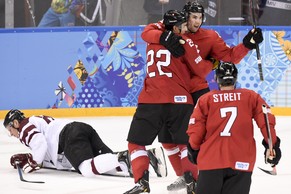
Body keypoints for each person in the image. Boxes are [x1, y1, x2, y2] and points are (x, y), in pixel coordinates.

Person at [141, 1, 264, 191]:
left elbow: (230, 56)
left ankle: (200, 175)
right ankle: (185, 176)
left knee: (197, 139)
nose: (197, 21)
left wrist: (247, 44)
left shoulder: (210, 37)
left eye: (200, 17)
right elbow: (147, 32)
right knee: (167, 141)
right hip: (173, 93)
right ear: (185, 17)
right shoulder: (173, 27)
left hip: (196, 93)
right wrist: (165, 37)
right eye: (193, 17)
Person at [124, 9, 215, 194]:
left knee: (136, 143)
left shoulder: (152, 39)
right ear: (175, 28)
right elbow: (200, 69)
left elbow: (147, 30)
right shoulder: (185, 41)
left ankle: (141, 180)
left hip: (151, 100)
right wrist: (213, 62)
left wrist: (164, 36)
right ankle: (193, 181)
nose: (185, 29)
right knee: (184, 144)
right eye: (182, 26)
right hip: (180, 101)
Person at [187, 62, 282, 194]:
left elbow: (196, 129)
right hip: (242, 161)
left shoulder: (206, 99)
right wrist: (272, 145)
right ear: (235, 78)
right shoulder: (251, 97)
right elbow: (266, 121)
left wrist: (194, 148)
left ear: (216, 79)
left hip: (211, 161)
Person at [3, 109, 163, 178]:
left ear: (15, 122)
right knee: (104, 167)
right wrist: (33, 157)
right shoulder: (34, 121)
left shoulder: (24, 127)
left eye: (10, 129)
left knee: (86, 168)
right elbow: (44, 147)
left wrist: (33, 162)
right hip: (80, 129)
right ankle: (144, 158)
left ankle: (122, 158)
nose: (11, 134)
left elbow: (40, 143)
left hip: (69, 136)